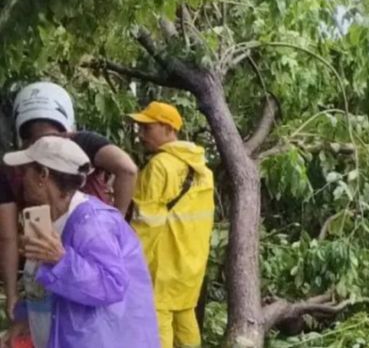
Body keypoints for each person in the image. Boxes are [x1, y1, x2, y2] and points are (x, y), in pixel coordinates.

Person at [0, 82, 138, 321]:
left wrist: (13, 295)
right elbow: (127, 169)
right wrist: (118, 222)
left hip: (53, 264)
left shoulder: (90, 223)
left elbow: (8, 237)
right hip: (65, 273)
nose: (25, 180)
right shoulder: (83, 143)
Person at [3, 136, 159, 347]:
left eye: (26, 171)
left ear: (43, 175)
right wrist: (25, 317)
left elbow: (112, 286)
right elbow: (46, 283)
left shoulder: (93, 224)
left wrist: (61, 261)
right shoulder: (52, 217)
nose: (23, 179)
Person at [129, 101, 214, 348]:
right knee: (186, 317)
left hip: (163, 266)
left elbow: (145, 224)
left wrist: (131, 264)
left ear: (168, 129)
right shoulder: (203, 171)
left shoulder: (159, 166)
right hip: (192, 264)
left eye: (148, 128)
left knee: (159, 323)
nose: (142, 135)